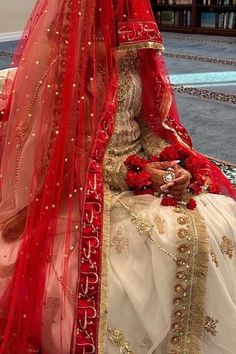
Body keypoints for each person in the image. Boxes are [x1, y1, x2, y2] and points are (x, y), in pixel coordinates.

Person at [0, 0, 235, 353]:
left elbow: (151, 126)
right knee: (171, 240)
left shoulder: (132, 54)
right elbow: (68, 152)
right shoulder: (62, 63)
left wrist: (172, 163)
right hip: (87, 185)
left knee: (221, 218)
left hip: (145, 170)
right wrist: (134, 175)